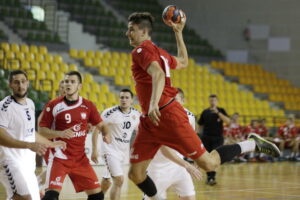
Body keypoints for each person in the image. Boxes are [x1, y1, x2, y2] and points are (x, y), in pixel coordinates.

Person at [125, 12, 280, 200]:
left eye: (131, 30)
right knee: (136, 174)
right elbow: (183, 62)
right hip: (150, 121)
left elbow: (157, 75)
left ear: (144, 31)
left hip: (166, 116)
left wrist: (152, 105)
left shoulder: (141, 50)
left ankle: (252, 143)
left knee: (209, 164)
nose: (127, 33)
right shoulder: (160, 53)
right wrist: (178, 33)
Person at [38, 71, 111, 200]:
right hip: (59, 157)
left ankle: (39, 184)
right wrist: (60, 133)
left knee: (98, 196)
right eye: (66, 81)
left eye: (72, 82)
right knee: (51, 197)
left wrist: (106, 134)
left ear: (79, 86)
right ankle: (39, 186)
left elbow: (102, 125)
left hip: (80, 159)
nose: (68, 84)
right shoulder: (53, 105)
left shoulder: (88, 105)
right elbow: (42, 130)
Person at [0, 70, 66, 200]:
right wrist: (28, 145)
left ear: (28, 83)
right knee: (26, 197)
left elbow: (31, 132)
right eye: (16, 82)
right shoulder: (4, 107)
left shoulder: (30, 103)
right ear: (10, 85)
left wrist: (51, 143)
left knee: (22, 197)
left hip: (27, 163)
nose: (20, 85)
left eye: (23, 81)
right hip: (10, 162)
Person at [144, 88, 201, 200]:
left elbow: (192, 139)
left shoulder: (189, 116)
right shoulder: (157, 117)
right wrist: (187, 165)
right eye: (169, 100)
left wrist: (197, 158)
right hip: (158, 168)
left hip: (179, 167)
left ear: (183, 101)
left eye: (175, 100)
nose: (171, 103)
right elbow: (164, 148)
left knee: (189, 198)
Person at [91, 88, 140, 200]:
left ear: (132, 100)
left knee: (107, 181)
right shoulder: (109, 113)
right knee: (119, 180)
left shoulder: (136, 114)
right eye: (121, 97)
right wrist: (94, 150)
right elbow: (96, 130)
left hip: (122, 152)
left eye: (127, 97)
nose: (124, 100)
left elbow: (139, 132)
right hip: (109, 150)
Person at [37, 79, 66, 196]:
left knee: (56, 168)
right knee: (53, 167)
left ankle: (37, 183)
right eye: (62, 87)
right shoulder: (53, 104)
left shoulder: (72, 105)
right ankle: (44, 190)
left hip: (61, 143)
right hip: (50, 142)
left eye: (67, 87)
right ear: (59, 89)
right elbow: (40, 122)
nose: (65, 89)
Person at [197, 94, 231, 185]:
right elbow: (200, 125)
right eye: (211, 100)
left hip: (218, 138)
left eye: (214, 100)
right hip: (206, 138)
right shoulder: (205, 112)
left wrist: (218, 113)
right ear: (209, 101)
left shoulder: (221, 110)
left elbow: (228, 122)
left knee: (215, 157)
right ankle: (210, 177)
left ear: (217, 101)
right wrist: (197, 136)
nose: (212, 102)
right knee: (207, 158)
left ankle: (212, 177)